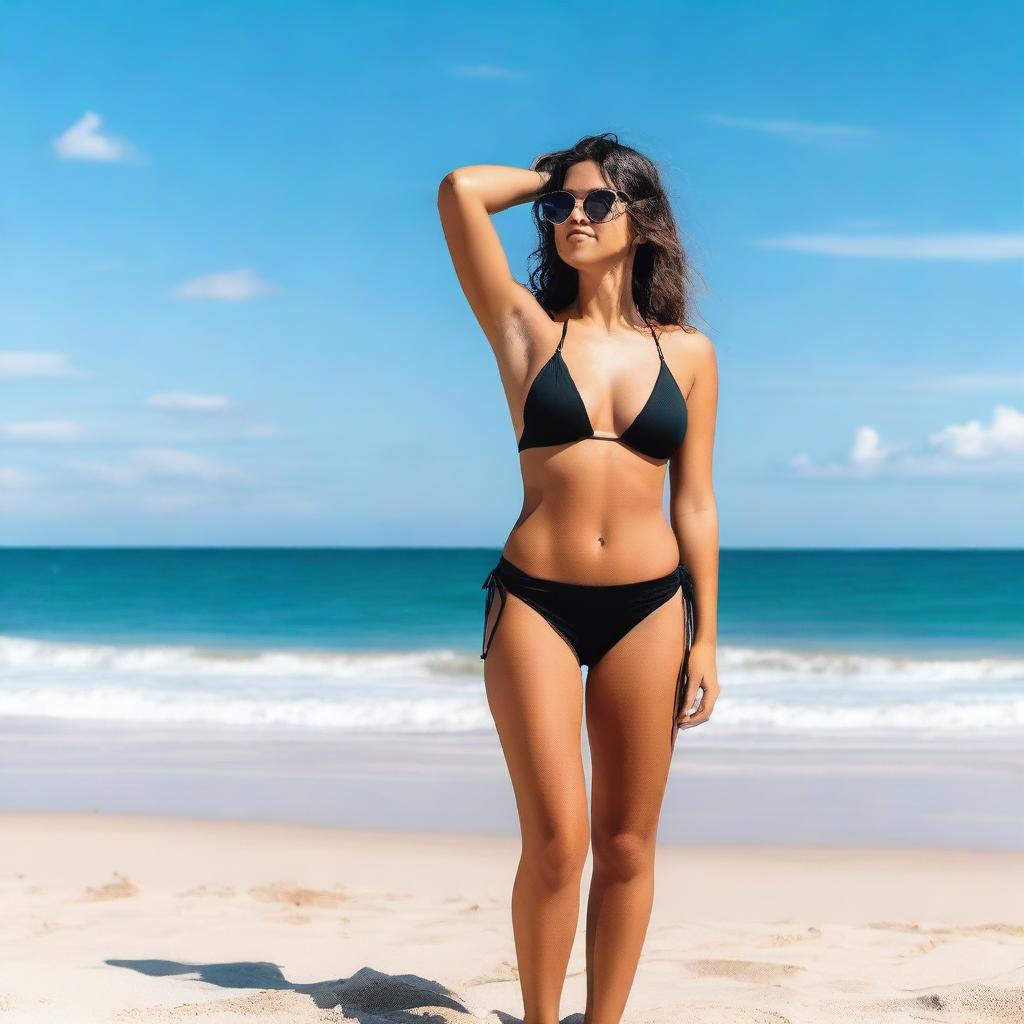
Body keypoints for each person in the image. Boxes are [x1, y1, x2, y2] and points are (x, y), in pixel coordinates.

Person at [436, 132, 720, 1024]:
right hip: (535, 603)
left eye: (600, 203)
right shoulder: (524, 327)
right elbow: (458, 190)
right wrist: (552, 177)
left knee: (627, 844)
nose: (575, 218)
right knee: (558, 842)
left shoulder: (690, 354)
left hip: (651, 609)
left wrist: (707, 635)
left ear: (642, 222)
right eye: (561, 206)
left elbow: (697, 504)